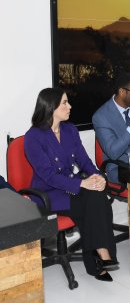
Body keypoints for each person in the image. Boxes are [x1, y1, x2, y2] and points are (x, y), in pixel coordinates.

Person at [24, 88, 118, 282]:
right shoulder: (33, 137)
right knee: (90, 201)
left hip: (71, 185)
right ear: (50, 107)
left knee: (96, 196)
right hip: (47, 193)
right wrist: (83, 183)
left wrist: (98, 176)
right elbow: (48, 176)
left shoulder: (70, 129)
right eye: (64, 103)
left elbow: (84, 161)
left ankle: (100, 256)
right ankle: (100, 256)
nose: (70, 106)